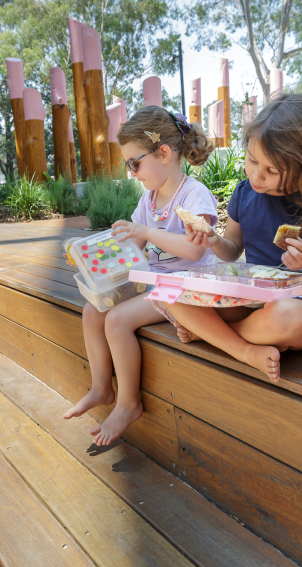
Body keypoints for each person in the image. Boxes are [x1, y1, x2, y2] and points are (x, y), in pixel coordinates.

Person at [170, 93, 302, 382]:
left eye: (272, 170)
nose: (256, 176)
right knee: (172, 294)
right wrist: (214, 241)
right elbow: (232, 249)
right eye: (252, 160)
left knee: (286, 318)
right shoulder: (244, 193)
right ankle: (246, 343)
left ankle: (214, 336)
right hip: (251, 299)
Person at [62, 107, 218, 446]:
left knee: (117, 320)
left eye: (135, 163)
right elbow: (130, 242)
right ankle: (101, 388)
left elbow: (194, 251)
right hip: (155, 282)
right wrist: (86, 252)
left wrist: (146, 231)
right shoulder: (150, 198)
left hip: (185, 286)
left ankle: (128, 403)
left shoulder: (195, 195)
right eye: (128, 165)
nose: (132, 173)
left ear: (163, 153)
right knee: (92, 310)